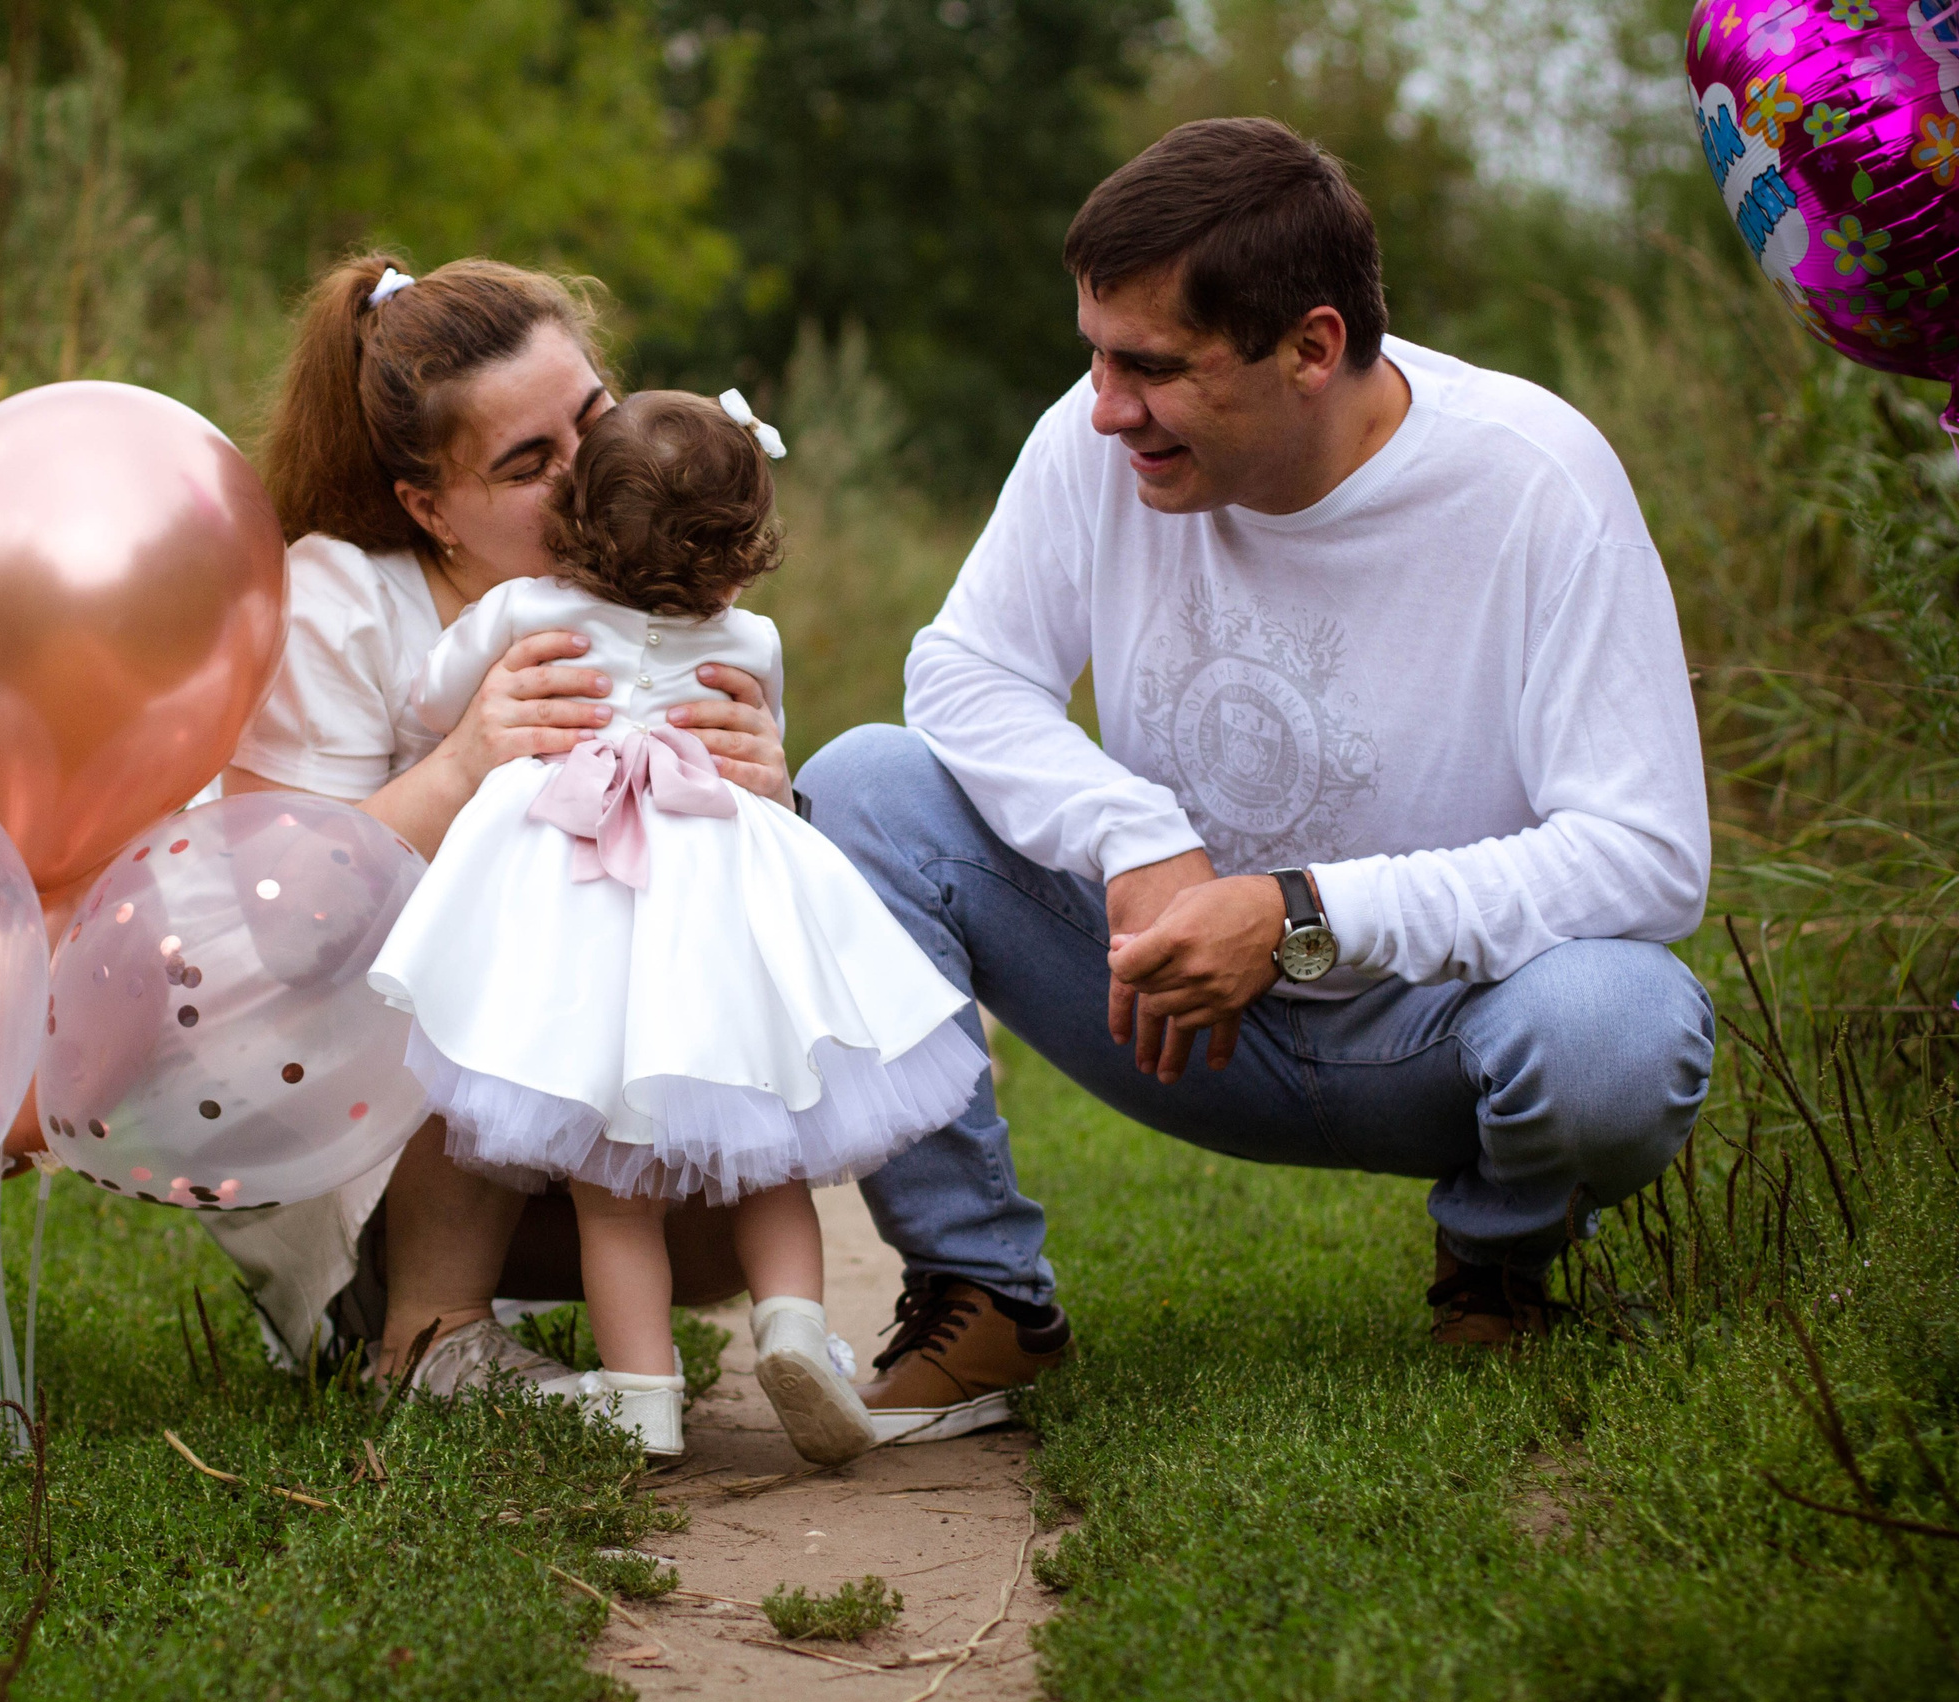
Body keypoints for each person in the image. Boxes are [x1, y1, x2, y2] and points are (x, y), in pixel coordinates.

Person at [801, 116, 1716, 1442]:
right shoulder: (1096, 441)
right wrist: (1131, 833)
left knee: (1617, 1027)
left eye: (1152, 367)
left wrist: (1296, 914)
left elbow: (1646, 855)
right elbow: (964, 671)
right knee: (863, 785)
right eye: (1095, 355)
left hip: (1439, 1037)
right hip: (1162, 1010)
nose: (1106, 406)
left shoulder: (1538, 484)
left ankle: (1495, 1262)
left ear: (1312, 347)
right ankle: (983, 1292)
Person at [207, 255, 798, 1390]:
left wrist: (764, 788)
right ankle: (426, 1330)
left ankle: (583, 1302)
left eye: (594, 419)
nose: (588, 474)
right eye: (529, 464)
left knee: (746, 1170)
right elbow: (285, 919)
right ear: (428, 507)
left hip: (545, 1071)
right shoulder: (340, 600)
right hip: (330, 1083)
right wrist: (466, 762)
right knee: (508, 923)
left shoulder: (662, 597)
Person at [369, 390, 982, 1460]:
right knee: (771, 1155)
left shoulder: (525, 612)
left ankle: (642, 1391)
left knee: (614, 1194)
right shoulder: (752, 636)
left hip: (582, 912)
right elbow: (763, 739)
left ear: (575, 522)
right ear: (741, 557)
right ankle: (795, 1328)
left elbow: (431, 697)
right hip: (718, 908)